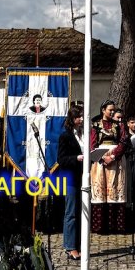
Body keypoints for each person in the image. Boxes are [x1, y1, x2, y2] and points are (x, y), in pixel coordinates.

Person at [90, 99, 128, 232]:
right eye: (110, 110)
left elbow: (124, 142)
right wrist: (102, 157)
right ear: (103, 110)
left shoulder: (119, 125)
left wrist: (112, 156)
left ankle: (116, 226)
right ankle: (100, 227)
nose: (112, 112)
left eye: (113, 110)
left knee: (116, 189)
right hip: (100, 163)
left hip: (116, 162)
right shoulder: (95, 125)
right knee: (100, 190)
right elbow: (92, 144)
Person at [56, 105, 85, 259]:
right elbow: (60, 159)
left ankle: (79, 244)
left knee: (80, 212)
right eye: (79, 116)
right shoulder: (65, 136)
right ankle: (70, 246)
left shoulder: (84, 134)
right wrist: (76, 158)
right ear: (73, 119)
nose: (81, 119)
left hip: (82, 176)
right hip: (70, 177)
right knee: (71, 212)